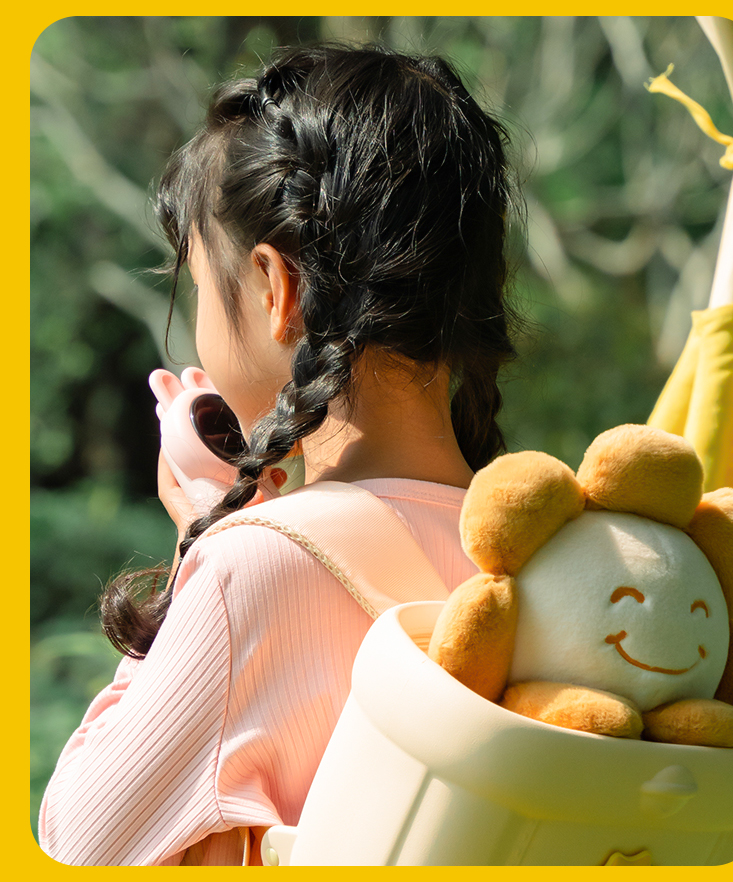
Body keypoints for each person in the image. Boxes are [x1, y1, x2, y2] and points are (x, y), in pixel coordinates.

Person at [38, 43, 526, 865]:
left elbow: (75, 846)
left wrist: (199, 543)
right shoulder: (548, 557)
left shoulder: (252, 569)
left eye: (199, 282)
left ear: (275, 289)